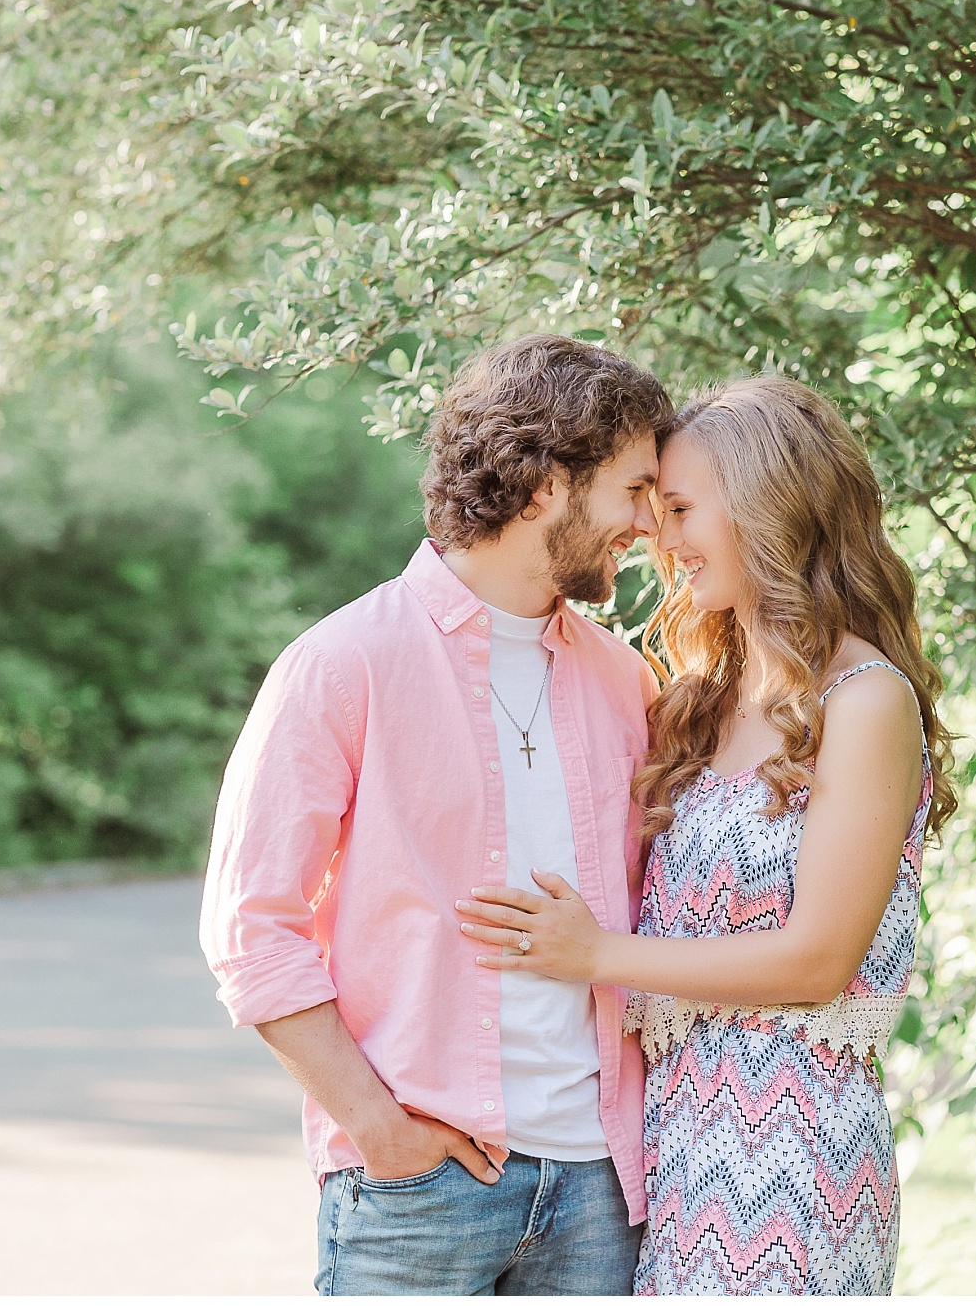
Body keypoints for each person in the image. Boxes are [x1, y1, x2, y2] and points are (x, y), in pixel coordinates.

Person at [456, 375, 958, 1295]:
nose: (658, 535)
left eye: (680, 507)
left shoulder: (866, 701)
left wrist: (599, 954)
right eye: (651, 506)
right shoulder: (704, 698)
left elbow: (818, 960)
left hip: (793, 1154)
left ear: (769, 504)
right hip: (672, 1148)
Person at [200, 334, 675, 1295]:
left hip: (602, 1189)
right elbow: (252, 930)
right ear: (547, 481)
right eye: (632, 491)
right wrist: (375, 1127)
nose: (648, 524)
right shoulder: (342, 665)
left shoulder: (627, 681)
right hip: (419, 1194)